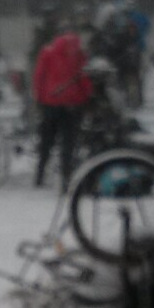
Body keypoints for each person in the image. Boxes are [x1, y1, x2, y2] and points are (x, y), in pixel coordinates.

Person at [32, 20, 93, 189]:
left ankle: (40, 174)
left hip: (51, 103)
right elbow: (85, 78)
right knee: (68, 143)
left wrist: (40, 98)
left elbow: (39, 77)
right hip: (73, 105)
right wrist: (87, 96)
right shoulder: (79, 53)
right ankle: (66, 178)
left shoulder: (48, 52)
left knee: (47, 141)